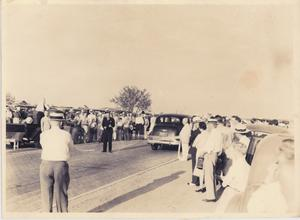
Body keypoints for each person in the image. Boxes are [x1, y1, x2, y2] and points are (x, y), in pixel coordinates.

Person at [39, 113, 73, 212]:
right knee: (61, 193)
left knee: (46, 194)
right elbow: (71, 148)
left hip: (45, 164)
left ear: (50, 121)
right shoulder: (66, 134)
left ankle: (47, 215)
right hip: (60, 165)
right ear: (61, 122)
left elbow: (43, 146)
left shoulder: (43, 134)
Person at [215, 125, 251, 212]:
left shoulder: (238, 162)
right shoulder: (248, 141)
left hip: (235, 190)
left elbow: (228, 179)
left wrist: (223, 182)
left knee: (223, 209)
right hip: (244, 190)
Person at [202, 118, 223, 202]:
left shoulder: (213, 134)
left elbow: (209, 147)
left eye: (208, 124)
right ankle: (212, 195)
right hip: (215, 155)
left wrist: (203, 153)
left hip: (210, 155)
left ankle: (211, 197)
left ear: (211, 124)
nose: (207, 126)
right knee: (212, 176)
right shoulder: (218, 133)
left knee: (209, 176)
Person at [193, 121, 209, 192]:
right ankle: (207, 185)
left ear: (200, 128)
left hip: (200, 154)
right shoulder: (209, 134)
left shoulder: (199, 136)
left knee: (200, 169)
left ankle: (201, 186)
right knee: (207, 169)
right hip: (208, 153)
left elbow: (194, 144)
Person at [187, 116, 202, 187]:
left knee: (194, 165)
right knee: (200, 165)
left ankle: (194, 181)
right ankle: (199, 180)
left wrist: (191, 131)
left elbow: (190, 141)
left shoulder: (196, 132)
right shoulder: (202, 131)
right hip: (201, 150)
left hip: (195, 149)